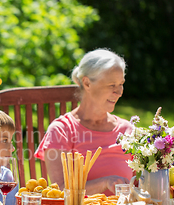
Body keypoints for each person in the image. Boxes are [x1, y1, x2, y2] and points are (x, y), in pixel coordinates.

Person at [35, 48, 133, 196]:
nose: (119, 92)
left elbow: (142, 183)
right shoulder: (62, 130)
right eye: (112, 85)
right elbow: (61, 190)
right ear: (87, 83)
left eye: (121, 84)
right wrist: (105, 182)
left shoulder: (127, 130)